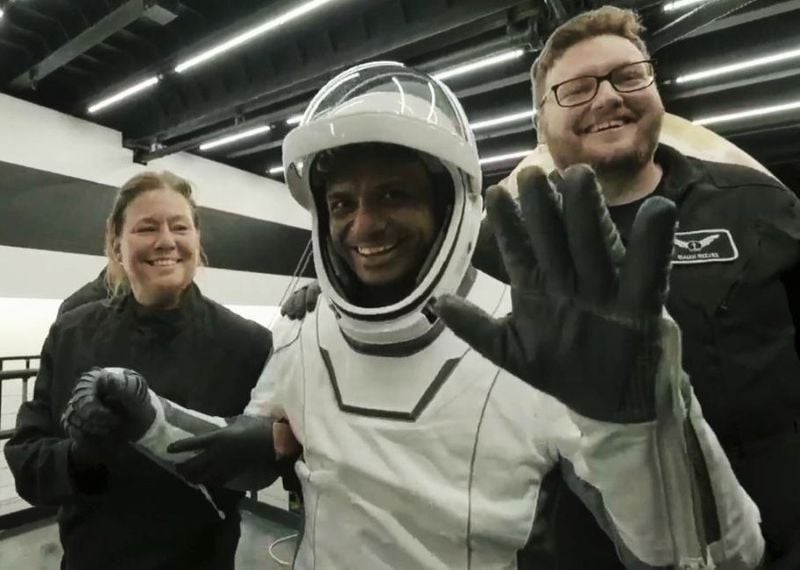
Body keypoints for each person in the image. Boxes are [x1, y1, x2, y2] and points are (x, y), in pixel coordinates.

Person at [62, 63, 765, 569]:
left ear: (449, 204)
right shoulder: (306, 326)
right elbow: (242, 453)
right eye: (342, 203)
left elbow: (705, 555)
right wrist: (148, 418)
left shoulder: (536, 341)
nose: (363, 225)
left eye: (394, 195)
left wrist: (649, 419)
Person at [485, 6, 800, 568]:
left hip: (772, 540)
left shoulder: (761, 205)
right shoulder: (505, 242)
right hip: (588, 550)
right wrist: (313, 310)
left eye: (628, 76)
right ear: (540, 119)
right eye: (577, 89)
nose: (607, 98)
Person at [4, 171, 273, 570]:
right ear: (116, 243)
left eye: (179, 227)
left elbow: (278, 463)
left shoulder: (247, 343)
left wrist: (265, 445)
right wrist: (78, 458)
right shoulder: (71, 334)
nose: (166, 241)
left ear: (197, 240)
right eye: (147, 228)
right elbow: (26, 459)